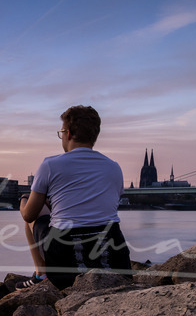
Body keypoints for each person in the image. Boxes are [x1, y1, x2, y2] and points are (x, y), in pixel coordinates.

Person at [18, 105, 130, 290]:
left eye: (61, 132)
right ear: (94, 137)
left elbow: (29, 215)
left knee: (31, 213)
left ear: (68, 133)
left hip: (65, 263)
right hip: (115, 261)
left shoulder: (50, 165)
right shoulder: (114, 167)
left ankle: (41, 274)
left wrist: (23, 200)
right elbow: (98, 206)